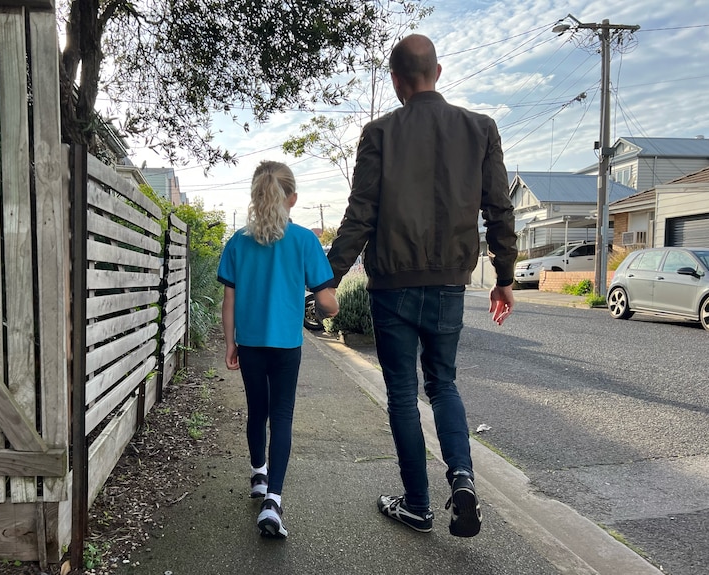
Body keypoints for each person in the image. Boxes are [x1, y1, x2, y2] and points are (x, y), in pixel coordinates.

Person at [327, 34, 517, 538]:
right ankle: (462, 478)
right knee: (444, 384)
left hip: (391, 286)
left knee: (403, 394)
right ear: (438, 70)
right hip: (451, 285)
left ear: (395, 81)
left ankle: (417, 504)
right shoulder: (481, 129)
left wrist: (327, 278)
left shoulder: (379, 133)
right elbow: (499, 208)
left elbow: (360, 214)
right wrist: (504, 278)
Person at [218, 160, 338, 539]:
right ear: (294, 198)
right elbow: (328, 302)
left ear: (254, 196)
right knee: (282, 416)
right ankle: (273, 500)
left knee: (258, 409)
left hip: (250, 344)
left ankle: (257, 474)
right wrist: (331, 305)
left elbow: (229, 302)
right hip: (287, 345)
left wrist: (230, 342)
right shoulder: (305, 240)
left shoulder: (237, 242)